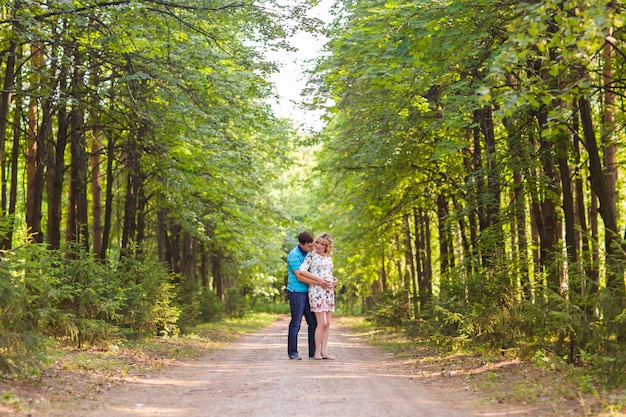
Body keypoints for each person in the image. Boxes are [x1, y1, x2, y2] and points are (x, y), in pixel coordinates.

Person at [286, 231, 329, 360]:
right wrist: (318, 281)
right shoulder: (293, 255)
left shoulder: (311, 254)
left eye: (313, 245)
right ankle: (293, 352)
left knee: (314, 323)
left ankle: (313, 351)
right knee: (296, 323)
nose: (312, 248)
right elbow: (299, 276)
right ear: (301, 244)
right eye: (309, 246)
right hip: (296, 292)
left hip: (311, 292)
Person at [298, 232, 337, 360]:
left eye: (322, 244)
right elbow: (302, 271)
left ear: (327, 246)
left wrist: (334, 281)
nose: (319, 246)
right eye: (318, 243)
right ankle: (317, 352)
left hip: (329, 292)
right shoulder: (311, 256)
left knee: (328, 323)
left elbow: (329, 273)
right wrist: (319, 279)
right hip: (317, 291)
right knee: (321, 323)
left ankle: (325, 352)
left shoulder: (328, 257)